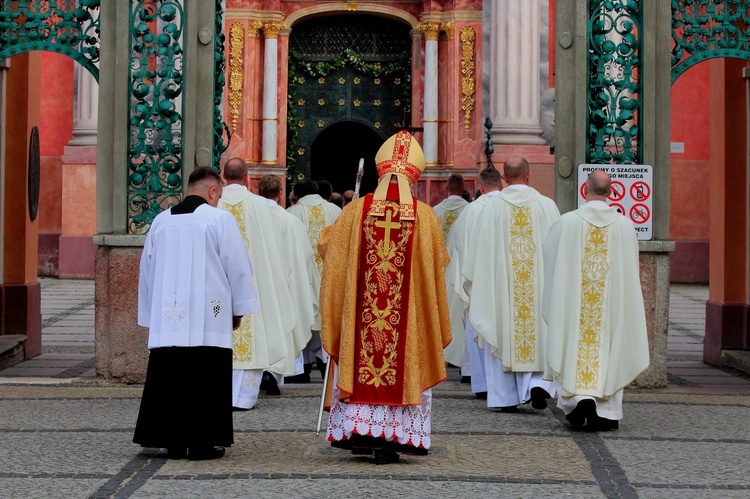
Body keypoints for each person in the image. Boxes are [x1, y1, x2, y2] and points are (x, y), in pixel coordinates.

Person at [319, 131, 451, 465]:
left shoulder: (354, 212)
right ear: (414, 177)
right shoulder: (424, 216)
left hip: (362, 321)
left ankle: (361, 432)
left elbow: (328, 251)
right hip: (406, 325)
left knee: (360, 354)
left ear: (381, 171)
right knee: (405, 356)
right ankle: (395, 436)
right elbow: (438, 265)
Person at [134, 167, 259, 461]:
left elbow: (147, 269)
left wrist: (152, 313)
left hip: (169, 314)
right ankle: (203, 443)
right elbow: (237, 266)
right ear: (213, 192)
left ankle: (172, 442)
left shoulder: (161, 221)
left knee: (171, 376)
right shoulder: (219, 219)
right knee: (205, 377)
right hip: (209, 315)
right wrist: (239, 308)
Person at [542, 170, 649, 431]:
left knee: (573, 340)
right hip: (609, 308)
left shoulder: (567, 223)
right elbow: (630, 270)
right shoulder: (624, 225)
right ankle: (606, 410)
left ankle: (580, 398)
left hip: (574, 305)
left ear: (584, 190)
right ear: (611, 192)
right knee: (609, 345)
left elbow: (549, 259)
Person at [464, 156, 560, 412]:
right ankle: (538, 383)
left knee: (503, 331)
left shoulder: (492, 209)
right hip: (537, 289)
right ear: (529, 176)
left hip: (503, 289)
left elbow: (480, 253)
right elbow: (556, 252)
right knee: (539, 331)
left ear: (504, 178)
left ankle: (506, 397)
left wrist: (480, 283)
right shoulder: (547, 206)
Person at [218, 158, 298, 408]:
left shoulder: (214, 204)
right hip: (255, 284)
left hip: (220, 285)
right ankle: (243, 398)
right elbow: (274, 248)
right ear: (246, 177)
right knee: (256, 336)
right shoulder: (262, 207)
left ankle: (220, 393)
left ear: (223, 176)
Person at [443, 166, 503, 397]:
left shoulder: (469, 212)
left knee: (474, 324)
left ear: (479, 186)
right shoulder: (510, 207)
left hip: (475, 278)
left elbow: (458, 246)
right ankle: (507, 383)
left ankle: (475, 376)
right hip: (504, 279)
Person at [257, 174, 318, 384]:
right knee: (283, 326)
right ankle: (275, 371)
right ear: (280, 193)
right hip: (285, 286)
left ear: (258, 191)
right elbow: (306, 256)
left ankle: (257, 370)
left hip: (258, 285)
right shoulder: (291, 221)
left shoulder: (251, 217)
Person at [287, 177, 342, 382]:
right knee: (327, 319)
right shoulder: (335, 212)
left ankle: (302, 366)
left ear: (297, 195)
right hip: (331, 273)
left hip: (302, 276)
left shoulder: (291, 213)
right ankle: (326, 362)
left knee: (302, 318)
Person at [432, 173, 469, 240]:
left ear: (447, 188)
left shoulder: (435, 210)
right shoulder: (470, 209)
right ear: (463, 187)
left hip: (442, 250)